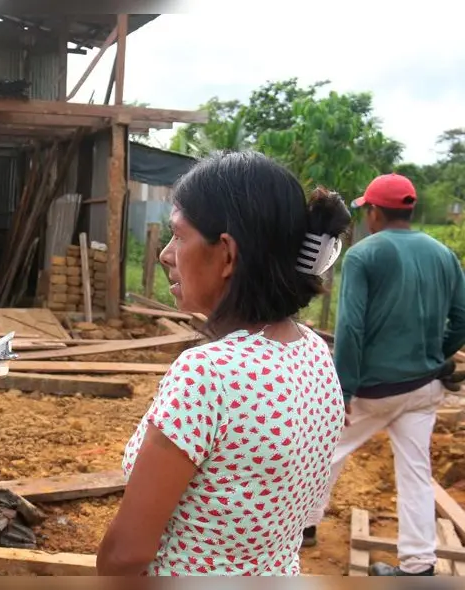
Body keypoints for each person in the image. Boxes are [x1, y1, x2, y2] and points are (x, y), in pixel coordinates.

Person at [96, 151, 350, 576]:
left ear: (227, 255)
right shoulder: (314, 352)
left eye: (178, 236)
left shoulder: (208, 374)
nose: (165, 254)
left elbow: (126, 554)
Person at [303, 173, 465, 577]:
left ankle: (301, 526)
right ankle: (418, 565)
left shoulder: (363, 255)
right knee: (415, 472)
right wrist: (438, 355)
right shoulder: (444, 254)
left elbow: (351, 329)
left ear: (374, 212)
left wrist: (342, 392)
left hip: (375, 389)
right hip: (424, 387)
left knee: (329, 450)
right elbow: (462, 318)